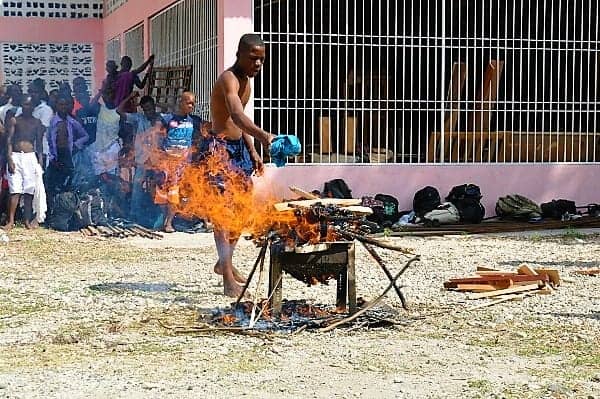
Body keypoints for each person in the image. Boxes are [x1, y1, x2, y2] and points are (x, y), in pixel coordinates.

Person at [206, 33, 275, 297]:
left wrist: (254, 151)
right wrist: (265, 137)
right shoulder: (228, 79)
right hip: (219, 151)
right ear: (240, 55)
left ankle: (225, 262)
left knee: (241, 211)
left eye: (262, 60)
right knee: (222, 216)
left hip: (240, 152)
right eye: (254, 59)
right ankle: (227, 278)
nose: (258, 65)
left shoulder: (247, 81)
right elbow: (234, 115)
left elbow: (240, 122)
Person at [154, 92, 203, 232]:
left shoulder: (194, 121)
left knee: (175, 192)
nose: (192, 106)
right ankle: (163, 220)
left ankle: (169, 222)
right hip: (166, 163)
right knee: (162, 194)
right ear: (180, 102)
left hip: (182, 165)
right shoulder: (167, 119)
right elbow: (156, 136)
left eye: (193, 103)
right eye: (189, 103)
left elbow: (204, 133)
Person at [117, 92, 164, 227]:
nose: (148, 111)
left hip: (157, 161)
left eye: (151, 108)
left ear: (154, 107)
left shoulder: (162, 119)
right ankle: (134, 215)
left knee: (159, 188)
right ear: (142, 109)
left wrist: (159, 106)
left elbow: (170, 108)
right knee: (137, 186)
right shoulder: (139, 118)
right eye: (146, 109)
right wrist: (130, 97)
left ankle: (159, 216)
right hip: (143, 160)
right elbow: (119, 110)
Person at [2, 96, 45, 230]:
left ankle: (27, 220)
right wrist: (9, 159)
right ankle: (11, 221)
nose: (27, 107)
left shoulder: (37, 123)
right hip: (16, 156)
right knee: (15, 190)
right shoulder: (15, 120)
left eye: (29, 105)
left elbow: (39, 144)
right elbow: (8, 141)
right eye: (25, 104)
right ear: (21, 105)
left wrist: (40, 161)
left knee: (29, 190)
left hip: (30, 157)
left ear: (33, 106)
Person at [46, 95, 89, 196]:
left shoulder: (72, 122)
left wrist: (76, 144)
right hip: (54, 157)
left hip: (68, 156)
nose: (63, 107)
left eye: (65, 105)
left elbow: (85, 136)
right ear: (56, 105)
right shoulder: (52, 122)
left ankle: (67, 206)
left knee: (68, 183)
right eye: (61, 105)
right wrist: (51, 157)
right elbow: (47, 140)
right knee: (52, 185)